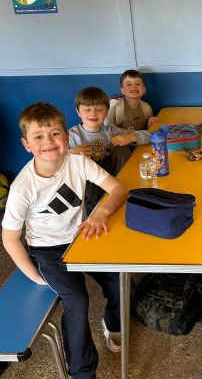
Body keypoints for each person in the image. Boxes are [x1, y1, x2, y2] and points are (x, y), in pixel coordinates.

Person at [1, 102, 128, 379]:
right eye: (38, 136)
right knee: (77, 299)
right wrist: (34, 275)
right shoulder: (23, 186)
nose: (48, 141)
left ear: (67, 136)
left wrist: (101, 212)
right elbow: (9, 238)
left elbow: (118, 189)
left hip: (82, 238)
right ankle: (82, 372)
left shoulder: (78, 162)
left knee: (120, 280)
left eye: (55, 133)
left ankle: (112, 324)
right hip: (47, 250)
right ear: (26, 145)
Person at [69, 86, 150, 209]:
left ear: (107, 111)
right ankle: (97, 204)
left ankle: (123, 189)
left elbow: (150, 136)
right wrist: (69, 154)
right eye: (87, 109)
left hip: (115, 181)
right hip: (89, 189)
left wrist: (131, 137)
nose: (93, 113)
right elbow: (52, 162)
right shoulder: (71, 136)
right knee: (80, 161)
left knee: (121, 148)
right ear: (78, 112)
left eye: (99, 109)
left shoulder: (111, 131)